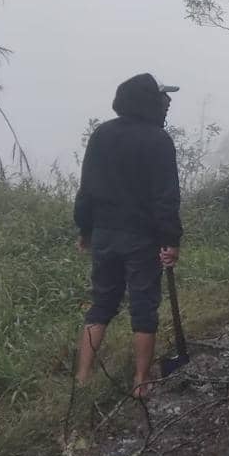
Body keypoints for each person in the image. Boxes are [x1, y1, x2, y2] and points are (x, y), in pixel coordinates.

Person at [73, 73, 182, 397]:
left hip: (105, 234)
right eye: (161, 98)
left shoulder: (102, 134)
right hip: (141, 238)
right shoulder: (158, 140)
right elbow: (166, 197)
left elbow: (86, 188)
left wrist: (85, 229)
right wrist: (171, 240)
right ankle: (141, 381)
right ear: (149, 101)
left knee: (101, 304)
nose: (166, 104)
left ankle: (82, 378)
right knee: (144, 307)